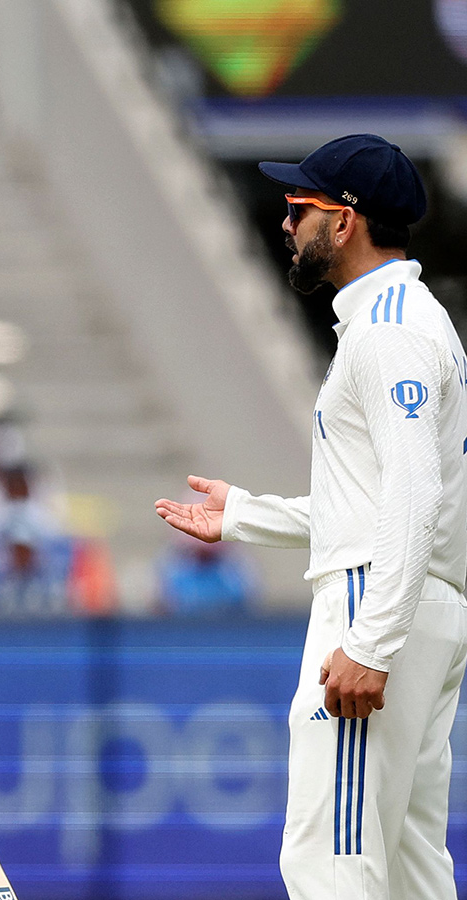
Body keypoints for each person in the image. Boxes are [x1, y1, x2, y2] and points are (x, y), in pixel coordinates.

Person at [155, 134, 467, 899]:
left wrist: (371, 640)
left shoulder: (392, 330)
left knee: (331, 861)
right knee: (406, 870)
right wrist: (247, 517)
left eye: (300, 207)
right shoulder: (397, 323)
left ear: (346, 220)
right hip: (418, 602)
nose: (286, 223)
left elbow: (413, 493)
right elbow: (376, 499)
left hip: (378, 605)